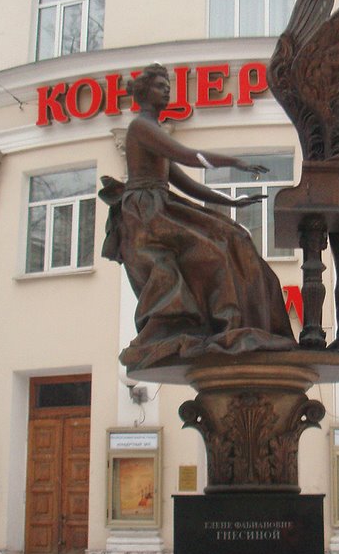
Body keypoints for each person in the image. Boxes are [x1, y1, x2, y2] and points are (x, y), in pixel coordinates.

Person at [99, 64, 296, 371]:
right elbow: (187, 156)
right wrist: (234, 162)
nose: (167, 89)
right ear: (143, 93)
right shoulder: (141, 127)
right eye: (160, 85)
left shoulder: (154, 131)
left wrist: (232, 200)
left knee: (236, 236)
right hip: (147, 216)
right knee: (215, 253)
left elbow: (188, 184)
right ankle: (226, 325)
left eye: (168, 85)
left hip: (162, 206)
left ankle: (250, 325)